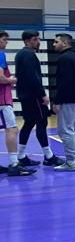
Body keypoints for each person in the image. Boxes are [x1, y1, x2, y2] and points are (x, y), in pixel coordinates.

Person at [14, 30, 62, 167]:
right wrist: (42, 94)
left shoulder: (20, 54)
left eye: (38, 39)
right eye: (35, 39)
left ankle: (21, 156)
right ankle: (48, 156)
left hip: (24, 95)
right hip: (33, 96)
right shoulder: (29, 55)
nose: (38, 42)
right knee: (42, 123)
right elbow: (33, 78)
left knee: (28, 124)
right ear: (27, 41)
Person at [51, 33, 75, 172]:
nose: (53, 44)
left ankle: (70, 161)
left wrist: (57, 100)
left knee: (65, 130)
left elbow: (63, 82)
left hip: (69, 99)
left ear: (64, 43)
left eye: (56, 42)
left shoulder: (64, 59)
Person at [0, 31, 34, 176]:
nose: (6, 42)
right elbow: (0, 78)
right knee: (12, 129)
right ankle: (14, 164)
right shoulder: (0, 55)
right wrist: (11, 80)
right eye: (3, 40)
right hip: (2, 100)